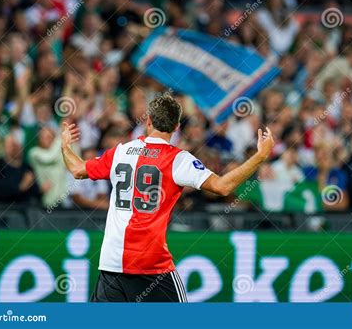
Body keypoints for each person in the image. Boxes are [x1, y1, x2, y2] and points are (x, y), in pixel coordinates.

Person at [60, 95, 274, 302]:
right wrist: (260, 157)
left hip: (112, 262)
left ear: (149, 121)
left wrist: (65, 147)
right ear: (176, 127)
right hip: (150, 264)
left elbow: (78, 169)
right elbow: (222, 186)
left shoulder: (121, 152)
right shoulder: (178, 160)